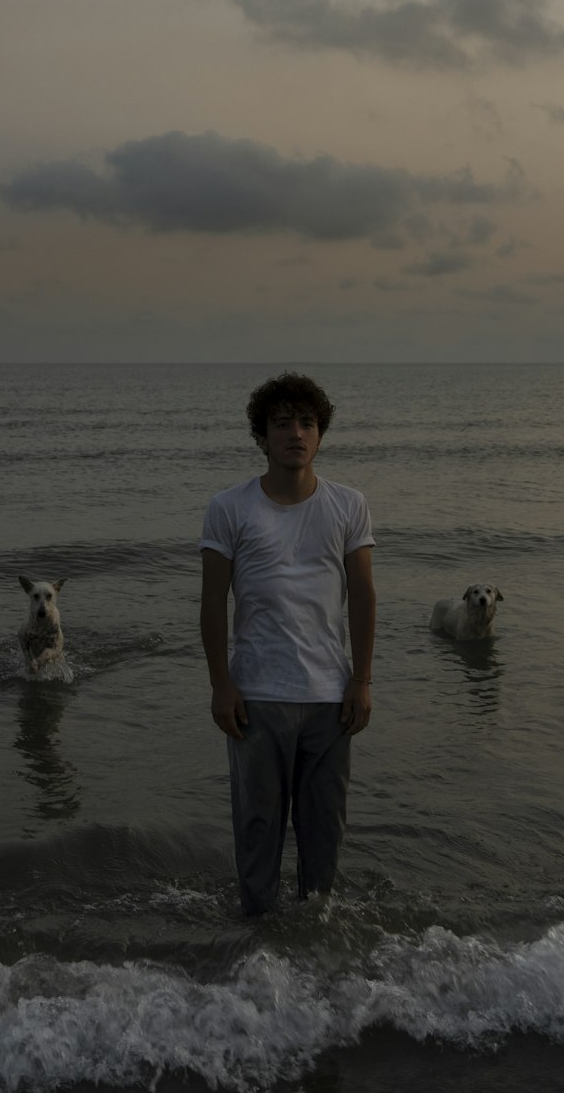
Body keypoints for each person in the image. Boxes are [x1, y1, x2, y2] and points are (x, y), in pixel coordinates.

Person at [200, 371, 377, 915]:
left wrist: (362, 680)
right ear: (262, 436)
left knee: (324, 833)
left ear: (320, 433)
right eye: (282, 424)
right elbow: (211, 603)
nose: (295, 433)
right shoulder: (230, 508)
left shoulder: (348, 505)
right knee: (257, 831)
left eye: (306, 422)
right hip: (256, 697)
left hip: (329, 698)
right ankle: (257, 946)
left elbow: (364, 595)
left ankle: (315, 944)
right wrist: (221, 685)